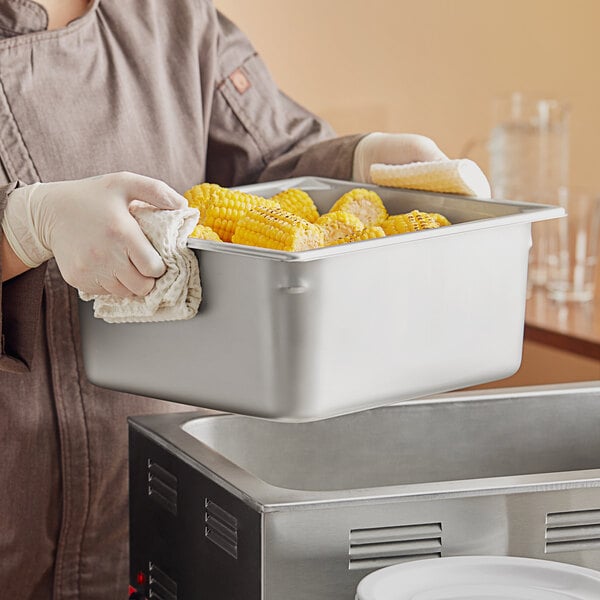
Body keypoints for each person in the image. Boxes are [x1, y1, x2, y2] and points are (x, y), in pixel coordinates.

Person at [0, 1, 452, 598]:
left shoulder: (172, 17)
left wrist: (360, 161)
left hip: (167, 489)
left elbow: (269, 161)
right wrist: (24, 226)